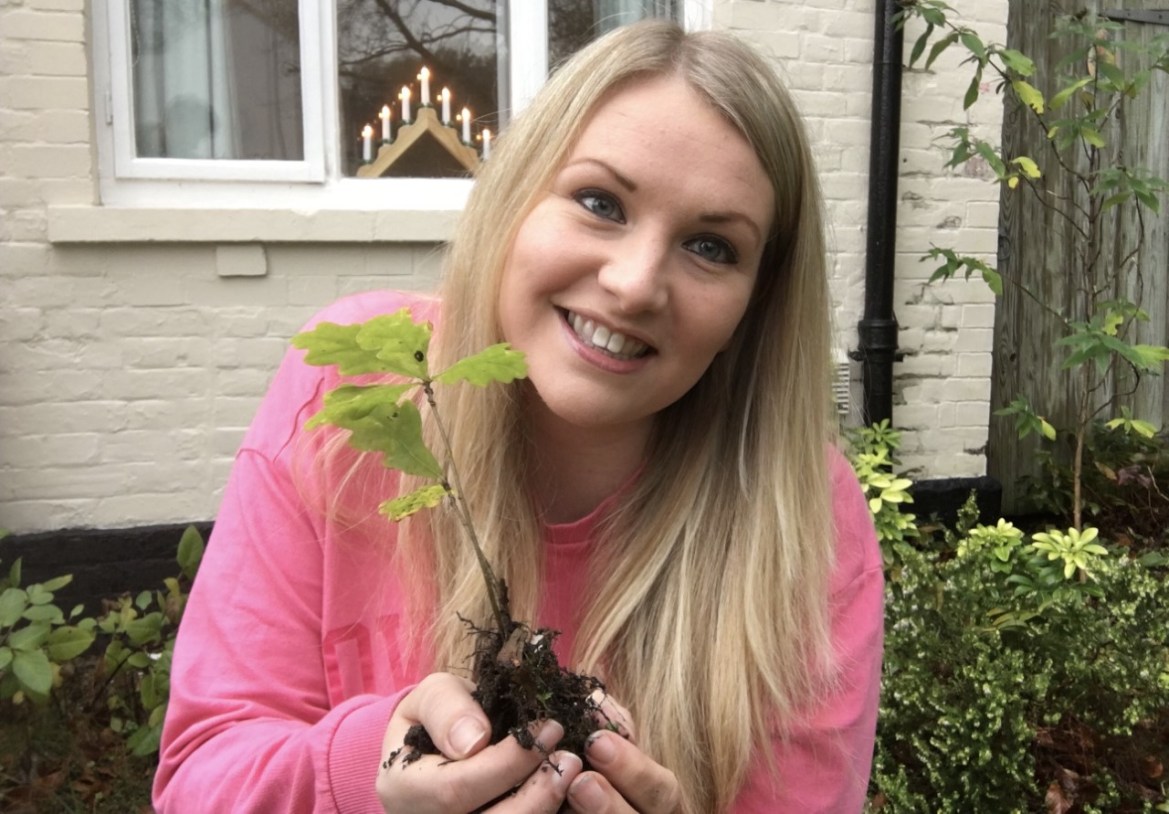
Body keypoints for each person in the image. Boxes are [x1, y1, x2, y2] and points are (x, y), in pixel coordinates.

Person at [153, 19, 883, 814]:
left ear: (756, 309)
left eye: (711, 247)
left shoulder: (801, 517)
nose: (635, 284)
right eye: (599, 201)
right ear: (513, 198)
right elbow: (202, 780)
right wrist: (368, 768)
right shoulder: (350, 394)